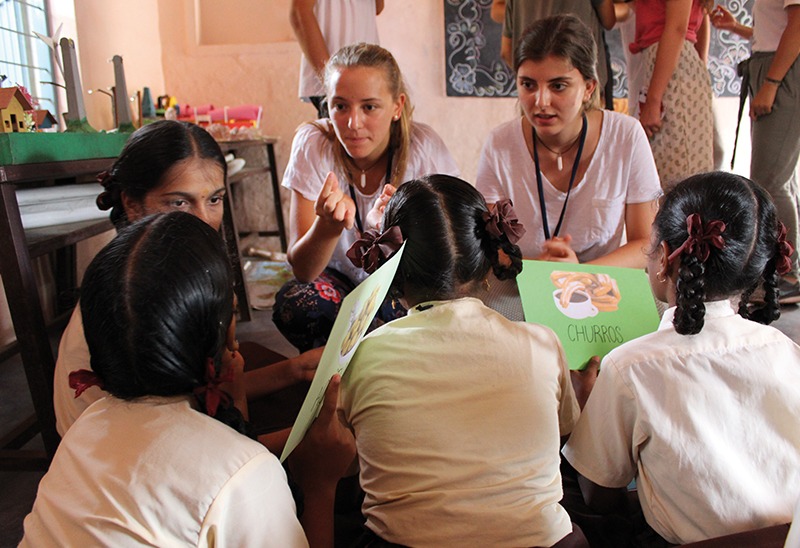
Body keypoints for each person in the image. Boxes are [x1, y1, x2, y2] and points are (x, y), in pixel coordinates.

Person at [21, 212, 355, 547]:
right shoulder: (244, 475)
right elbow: (227, 470)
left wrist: (278, 376)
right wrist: (319, 487)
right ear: (226, 336)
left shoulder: (87, 424)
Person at [340, 175, 585, 547]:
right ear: (487, 263)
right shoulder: (542, 343)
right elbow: (563, 434)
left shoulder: (365, 355)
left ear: (392, 268)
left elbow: (348, 451)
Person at [562, 172, 800, 545]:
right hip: (785, 538)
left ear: (664, 259)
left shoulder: (629, 366)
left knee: (568, 480)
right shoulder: (785, 349)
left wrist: (587, 406)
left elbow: (599, 493)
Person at [53, 120, 319, 445]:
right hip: (127, 455)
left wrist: (297, 369)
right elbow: (185, 451)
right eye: (179, 203)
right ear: (132, 205)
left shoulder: (162, 269)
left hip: (169, 421)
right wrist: (310, 443)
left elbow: (197, 393)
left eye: (214, 200)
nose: (204, 222)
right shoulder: (143, 301)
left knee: (275, 370)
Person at [274, 43, 459, 352]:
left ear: (397, 106)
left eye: (369, 107)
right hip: (338, 280)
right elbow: (303, 270)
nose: (352, 123)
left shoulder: (424, 150)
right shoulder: (313, 143)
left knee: (411, 316)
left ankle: (361, 372)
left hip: (402, 283)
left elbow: (447, 260)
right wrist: (327, 227)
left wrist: (396, 236)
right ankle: (336, 381)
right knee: (298, 303)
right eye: (340, 106)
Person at [477, 14, 661, 267]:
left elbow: (646, 243)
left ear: (588, 88)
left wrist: (576, 275)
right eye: (528, 85)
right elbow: (487, 247)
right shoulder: (499, 144)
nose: (541, 102)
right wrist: (541, 271)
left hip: (600, 286)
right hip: (521, 284)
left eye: (558, 86)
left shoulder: (626, 135)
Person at [710, 0, 800, 303]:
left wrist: (772, 82)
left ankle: (788, 274)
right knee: (779, 179)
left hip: (782, 70)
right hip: (772, 64)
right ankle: (785, 271)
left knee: (770, 180)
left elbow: (797, 26)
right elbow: (776, 30)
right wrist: (736, 28)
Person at [628, 0, 714, 189]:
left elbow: (677, 28)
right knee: (667, 176)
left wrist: (653, 100)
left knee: (680, 179)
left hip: (672, 71)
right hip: (669, 66)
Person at [497, 0, 616, 109]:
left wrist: (531, 83)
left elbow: (506, 51)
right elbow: (609, 20)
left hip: (533, 100)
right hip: (581, 91)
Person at [290, 0, 384, 118]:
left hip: (369, 78)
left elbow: (378, 7)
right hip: (336, 79)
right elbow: (299, 14)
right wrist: (330, 78)